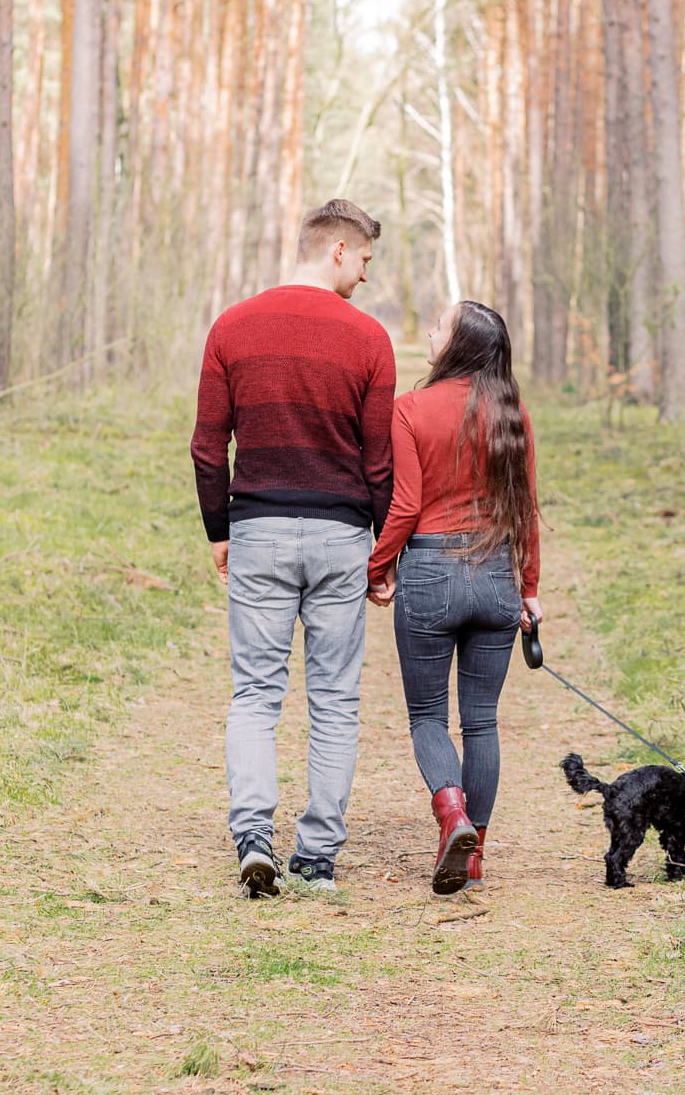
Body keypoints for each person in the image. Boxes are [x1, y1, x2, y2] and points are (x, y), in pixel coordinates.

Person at [190, 199, 396, 898]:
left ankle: (254, 836)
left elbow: (206, 443)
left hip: (259, 530)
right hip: (341, 536)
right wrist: (380, 548)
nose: (367, 276)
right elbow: (379, 460)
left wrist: (221, 528)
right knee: (336, 701)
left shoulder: (232, 326)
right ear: (337, 249)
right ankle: (316, 857)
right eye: (365, 259)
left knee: (255, 692)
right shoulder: (369, 340)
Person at [367, 300, 541, 894]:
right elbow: (525, 511)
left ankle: (452, 815)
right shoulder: (512, 413)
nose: (431, 331)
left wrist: (377, 566)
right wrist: (531, 590)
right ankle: (473, 855)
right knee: (483, 722)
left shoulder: (411, 409)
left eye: (439, 325)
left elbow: (407, 506)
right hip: (496, 577)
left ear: (458, 345)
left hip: (431, 573)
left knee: (426, 716)